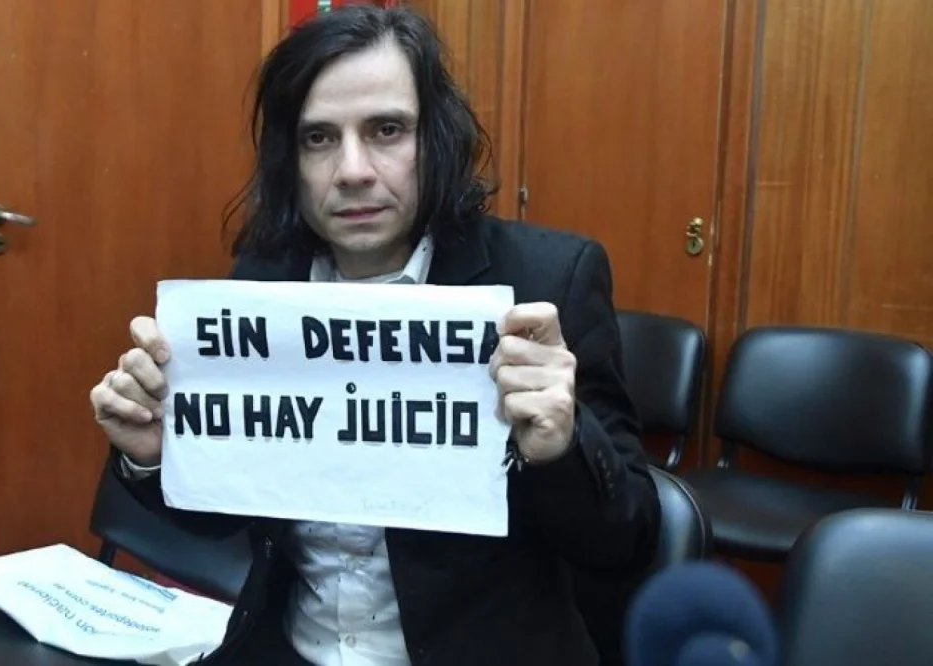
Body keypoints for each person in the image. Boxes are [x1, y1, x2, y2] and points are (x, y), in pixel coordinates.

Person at [88, 5, 660, 665]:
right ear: (289, 159)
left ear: (435, 139)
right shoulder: (263, 282)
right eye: (318, 138)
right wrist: (156, 455)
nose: (353, 170)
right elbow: (223, 517)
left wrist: (561, 444)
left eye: (387, 130)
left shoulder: (546, 281)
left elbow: (627, 541)